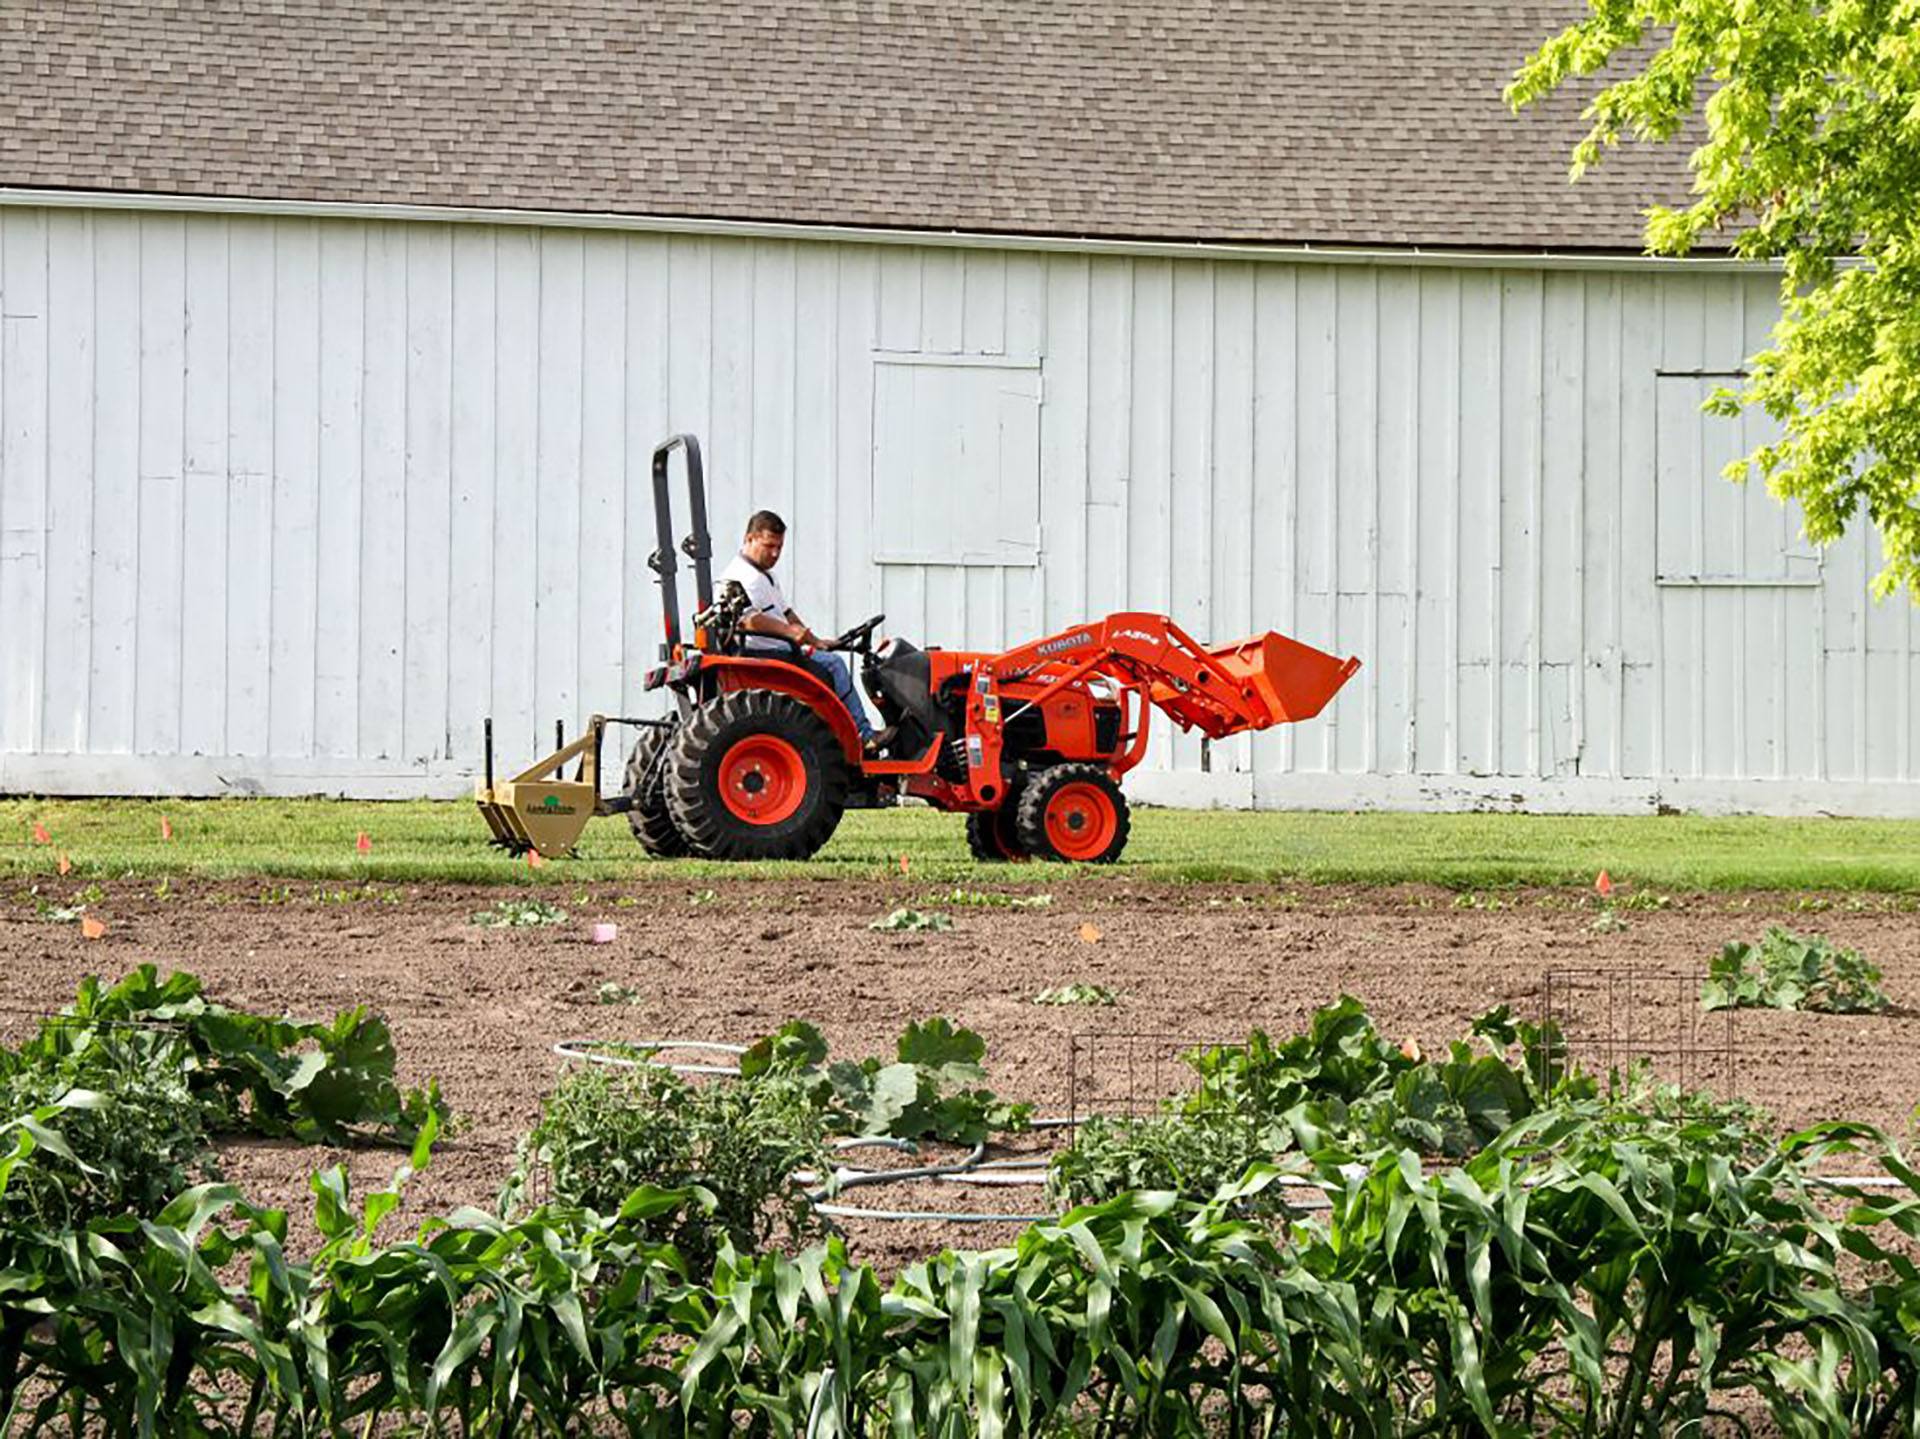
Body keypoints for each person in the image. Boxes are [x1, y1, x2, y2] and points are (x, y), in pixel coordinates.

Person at [716, 510, 893, 754]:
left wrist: (815, 640)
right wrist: (789, 633)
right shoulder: (740, 577)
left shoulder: (766, 576)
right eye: (769, 546)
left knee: (828, 657)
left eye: (779, 547)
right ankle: (863, 735)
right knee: (834, 665)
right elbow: (748, 621)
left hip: (780, 646)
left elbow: (786, 613)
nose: (775, 553)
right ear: (749, 539)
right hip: (765, 652)